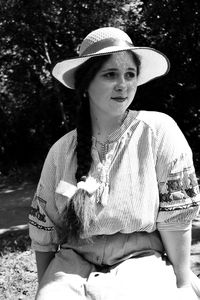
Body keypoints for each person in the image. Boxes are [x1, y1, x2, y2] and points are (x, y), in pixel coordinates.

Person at [29, 27, 200, 300]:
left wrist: (181, 282)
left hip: (141, 258)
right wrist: (47, 286)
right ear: (86, 84)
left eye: (130, 75)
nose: (123, 84)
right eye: (110, 75)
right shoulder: (62, 151)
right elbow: (44, 229)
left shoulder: (157, 130)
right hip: (72, 262)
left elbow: (176, 216)